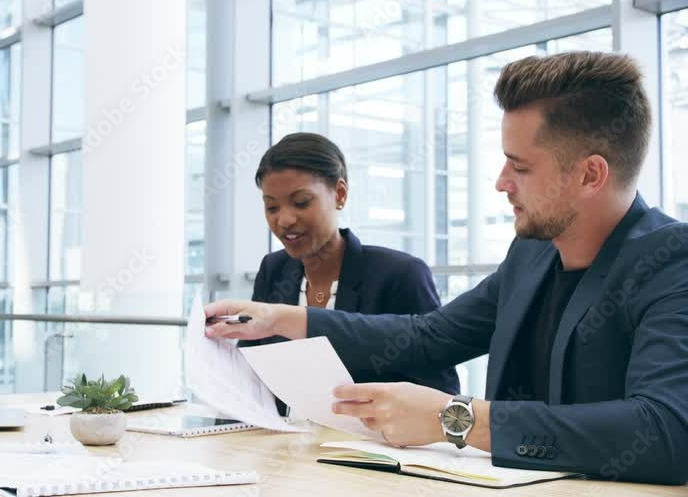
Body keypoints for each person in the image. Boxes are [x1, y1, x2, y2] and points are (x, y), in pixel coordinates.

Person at [205, 51, 688, 484]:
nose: (501, 183)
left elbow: (667, 429)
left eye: (520, 167)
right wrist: (279, 318)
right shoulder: (532, 255)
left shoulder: (672, 262)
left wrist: (455, 418)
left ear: (590, 174)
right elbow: (429, 335)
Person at [244, 132, 459, 406]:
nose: (284, 220)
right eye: (271, 207)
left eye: (301, 202)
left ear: (340, 194)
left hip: (371, 445)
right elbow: (247, 372)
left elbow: (440, 393)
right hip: (280, 444)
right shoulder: (274, 270)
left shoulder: (400, 275)